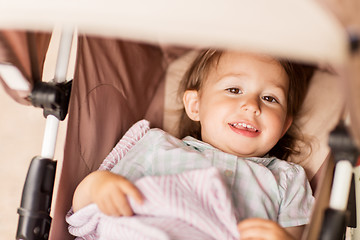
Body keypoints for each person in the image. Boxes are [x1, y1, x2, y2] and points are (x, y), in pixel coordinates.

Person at [71, 49, 316, 240]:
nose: (252, 105)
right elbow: (86, 205)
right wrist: (99, 185)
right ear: (195, 106)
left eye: (269, 98)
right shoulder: (159, 147)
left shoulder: (285, 179)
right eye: (234, 89)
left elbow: (297, 235)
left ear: (284, 125)